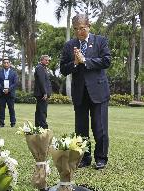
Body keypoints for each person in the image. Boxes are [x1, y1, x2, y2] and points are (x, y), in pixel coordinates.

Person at [60, 14, 111, 169]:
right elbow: (63, 69)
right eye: (76, 29)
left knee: (99, 127)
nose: (79, 32)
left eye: (82, 28)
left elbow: (106, 61)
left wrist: (86, 61)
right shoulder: (69, 45)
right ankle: (85, 157)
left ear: (89, 26)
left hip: (98, 92)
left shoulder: (100, 41)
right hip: (79, 93)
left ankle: (101, 158)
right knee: (81, 129)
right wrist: (74, 63)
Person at [0, 58, 18, 127]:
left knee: (11, 108)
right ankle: (1, 123)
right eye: (5, 63)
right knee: (1, 109)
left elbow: (15, 83)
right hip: (1, 94)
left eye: (7, 63)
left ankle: (13, 123)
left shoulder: (14, 73)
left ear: (10, 64)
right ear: (3, 64)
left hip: (10, 94)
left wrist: (8, 89)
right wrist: (3, 89)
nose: (6, 64)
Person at [34, 55, 52, 129]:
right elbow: (42, 81)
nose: (47, 61)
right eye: (46, 60)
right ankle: (43, 127)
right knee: (42, 111)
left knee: (39, 110)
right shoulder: (40, 68)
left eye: (48, 60)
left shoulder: (43, 68)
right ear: (41, 60)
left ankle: (38, 126)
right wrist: (45, 93)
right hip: (42, 94)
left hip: (42, 93)